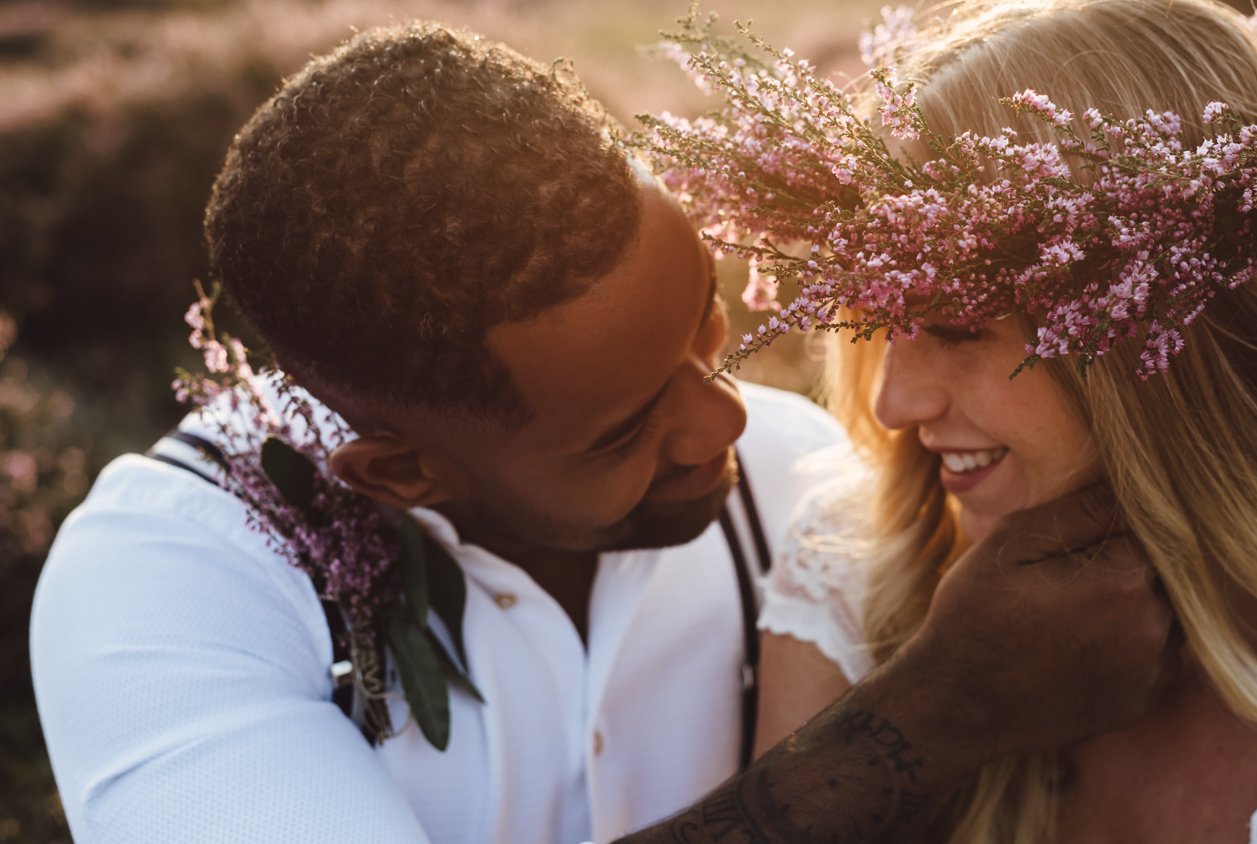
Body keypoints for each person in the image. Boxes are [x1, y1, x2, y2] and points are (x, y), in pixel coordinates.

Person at [30, 20, 1175, 844]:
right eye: (625, 426)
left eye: (706, 324)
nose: (727, 416)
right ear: (400, 469)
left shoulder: (810, 491)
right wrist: (937, 711)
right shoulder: (165, 582)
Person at [744, 0, 1257, 842]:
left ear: (1168, 344)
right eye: (880, 325)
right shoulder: (860, 585)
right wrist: (927, 713)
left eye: (958, 327)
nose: (894, 404)